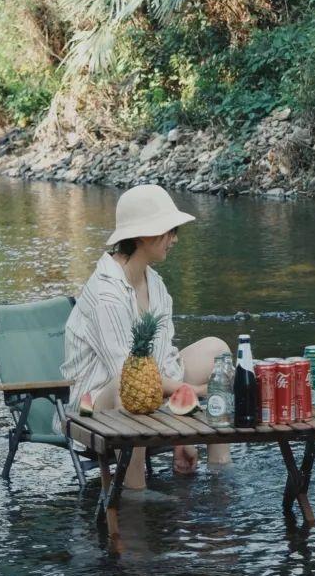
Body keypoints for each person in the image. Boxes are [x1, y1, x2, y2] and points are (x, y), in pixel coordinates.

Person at [62, 183, 231, 490]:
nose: (174, 239)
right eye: (169, 231)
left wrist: (185, 424)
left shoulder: (156, 285)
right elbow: (126, 374)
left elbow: (165, 356)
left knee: (216, 351)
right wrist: (193, 391)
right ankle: (133, 496)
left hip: (153, 385)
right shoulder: (106, 293)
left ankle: (221, 484)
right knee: (129, 391)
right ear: (144, 235)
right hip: (99, 399)